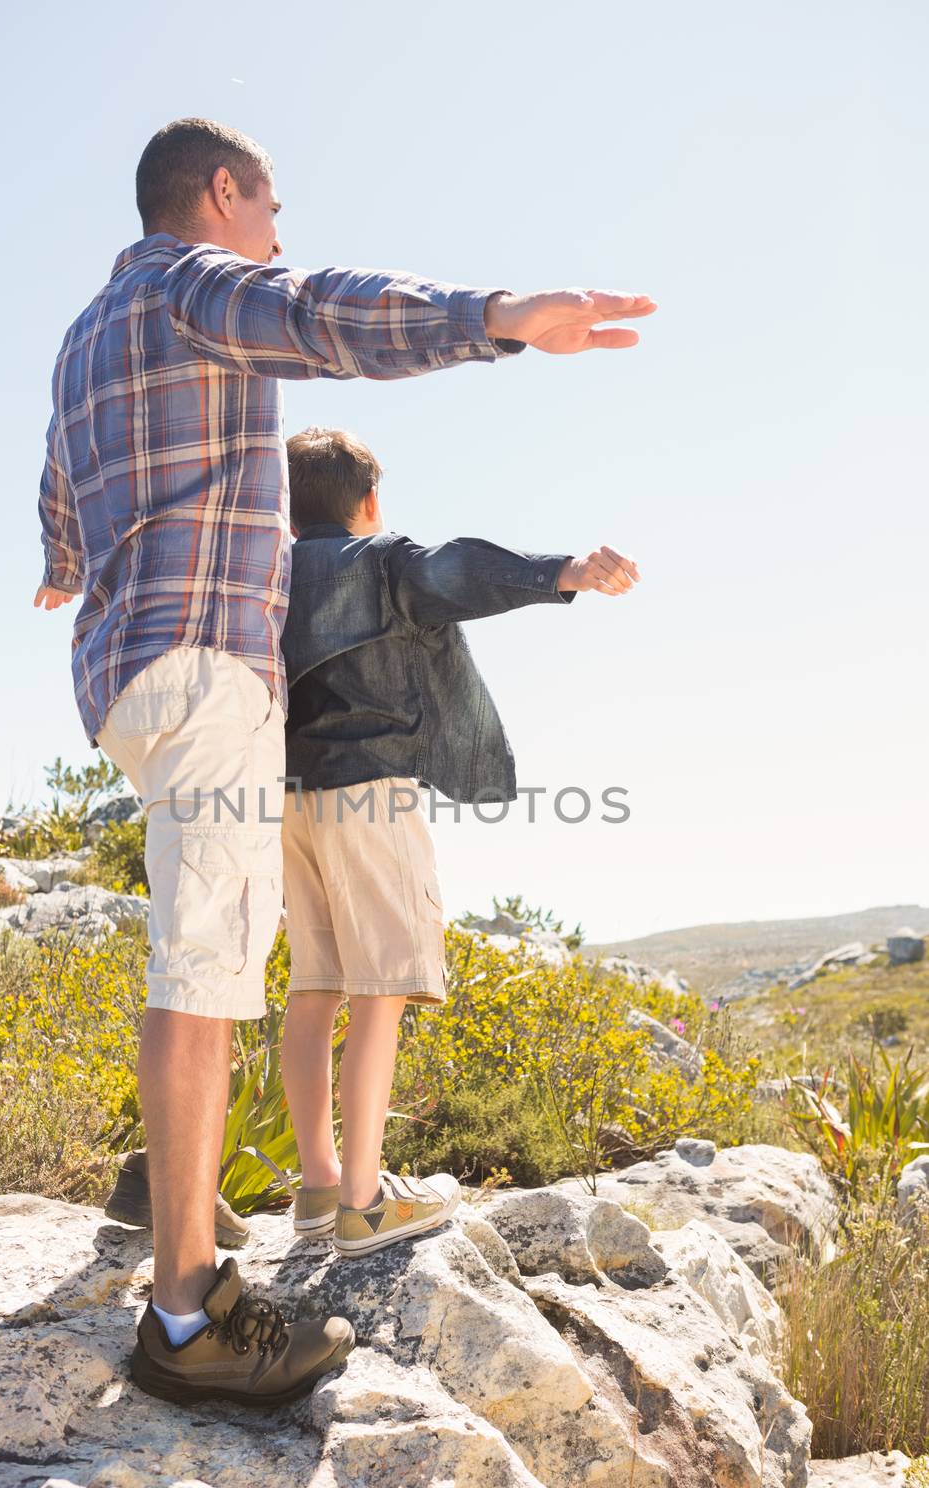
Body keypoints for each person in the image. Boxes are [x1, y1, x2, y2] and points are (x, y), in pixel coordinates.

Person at [33, 115, 655, 1408]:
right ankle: (188, 1315)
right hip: (203, 656)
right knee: (204, 961)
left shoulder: (88, 333)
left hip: (123, 669)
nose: (276, 232)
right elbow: (319, 313)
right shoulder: (186, 284)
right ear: (220, 192)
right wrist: (493, 316)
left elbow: (58, 482)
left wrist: (61, 565)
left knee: (217, 945)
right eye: (268, 206)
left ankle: (176, 1194)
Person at [278, 427, 640, 1255]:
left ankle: (318, 1185)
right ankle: (366, 1205)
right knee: (382, 988)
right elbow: (458, 568)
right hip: (370, 794)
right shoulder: (377, 558)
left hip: (285, 801)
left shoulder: (266, 573)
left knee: (314, 985)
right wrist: (563, 572)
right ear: (366, 502)